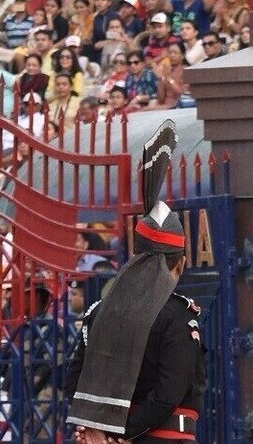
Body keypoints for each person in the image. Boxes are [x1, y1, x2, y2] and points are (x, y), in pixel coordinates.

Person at [68, 124, 206, 443]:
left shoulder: (100, 312)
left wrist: (99, 432)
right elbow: (169, 392)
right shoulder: (178, 316)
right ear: (181, 263)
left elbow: (75, 380)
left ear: (138, 258)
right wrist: (125, 434)